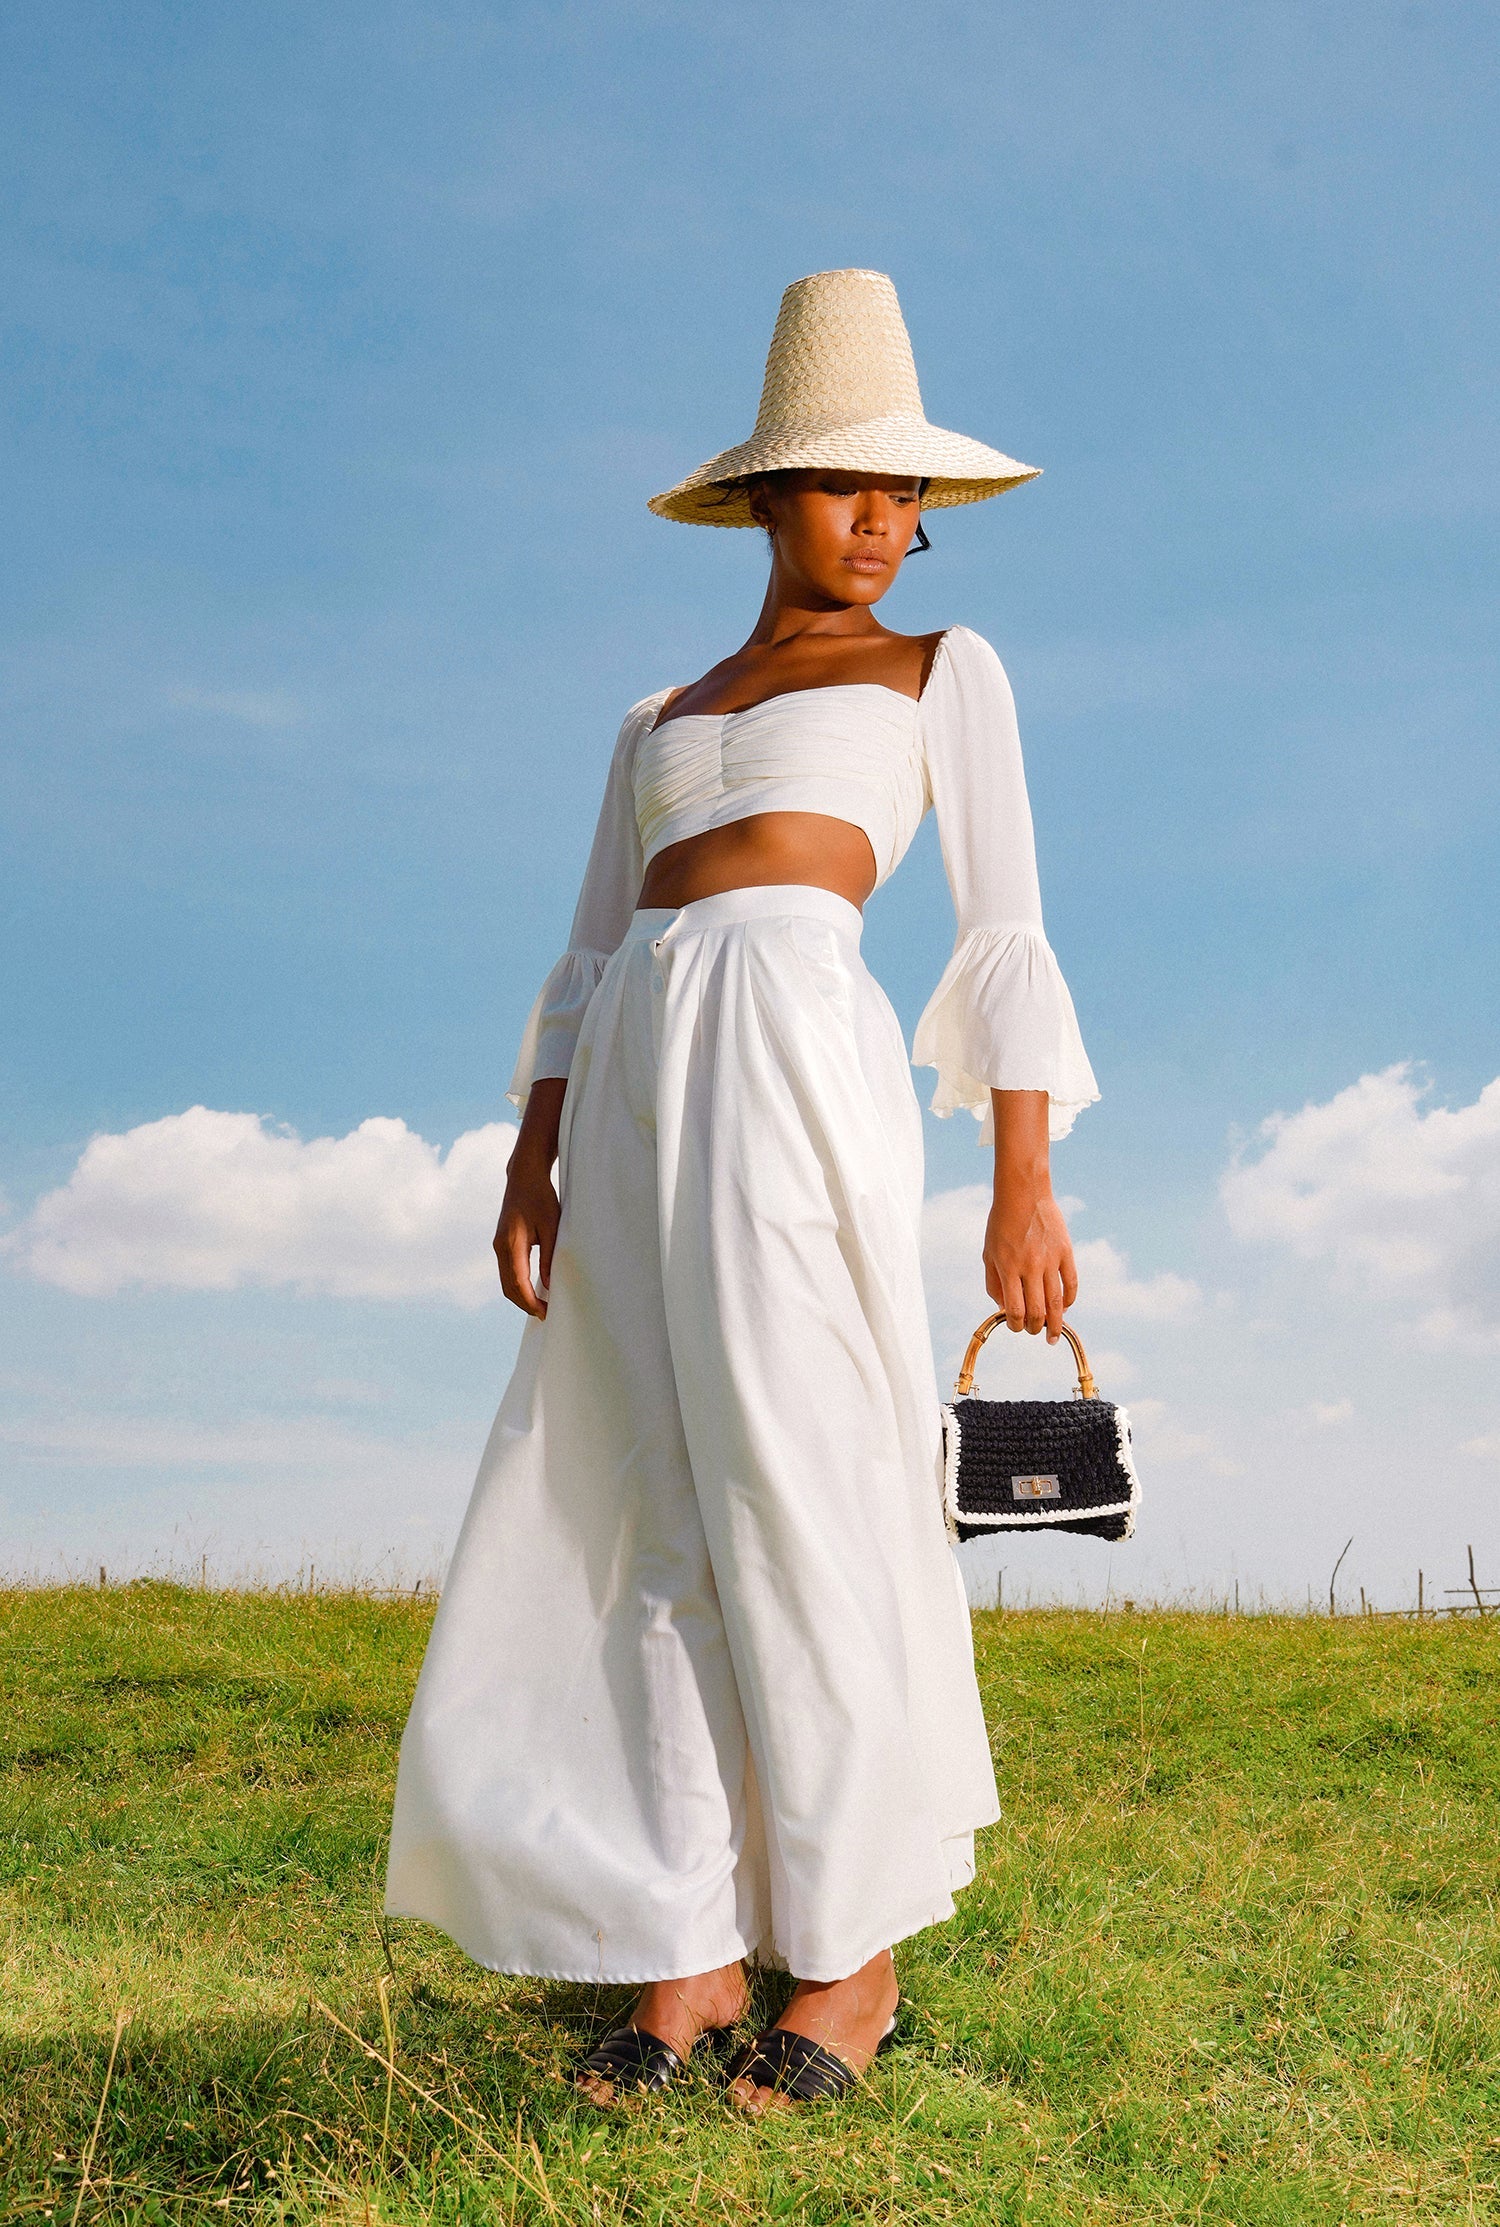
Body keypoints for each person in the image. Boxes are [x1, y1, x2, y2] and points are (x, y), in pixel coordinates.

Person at [384, 268, 1098, 2114]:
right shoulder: (657, 715)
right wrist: (535, 1146)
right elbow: (588, 944)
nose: (891, 524)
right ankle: (686, 1945)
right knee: (641, 1500)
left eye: (909, 495)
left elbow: (1006, 932)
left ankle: (847, 1964)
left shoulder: (946, 670)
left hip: (797, 1068)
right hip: (630, 1084)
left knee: (808, 1473)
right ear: (768, 497)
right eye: (852, 485)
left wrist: (1026, 1184)